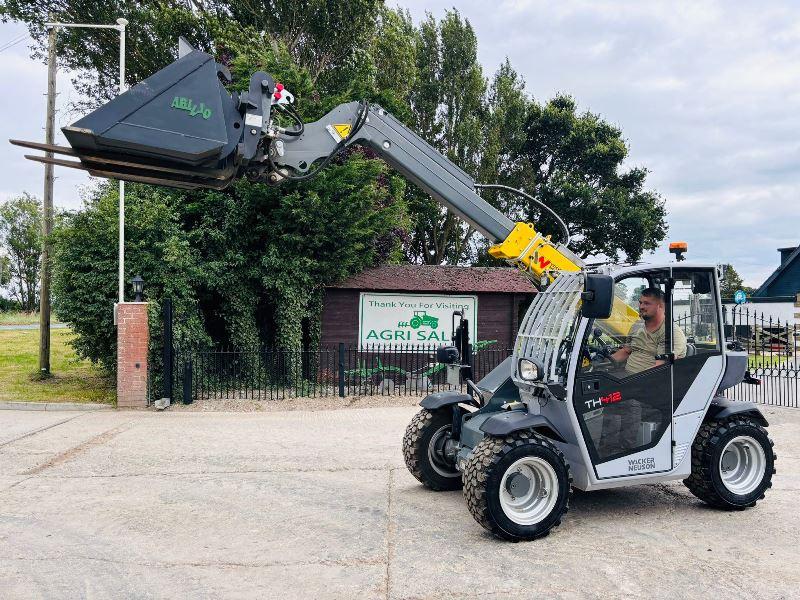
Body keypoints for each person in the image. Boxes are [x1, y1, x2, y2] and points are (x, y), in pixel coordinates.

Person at [597, 287, 686, 458]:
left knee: (628, 400)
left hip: (654, 385)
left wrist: (628, 385)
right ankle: (604, 449)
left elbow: (659, 369)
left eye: (647, 303)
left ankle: (625, 452)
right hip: (630, 378)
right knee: (600, 390)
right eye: (640, 302)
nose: (641, 306)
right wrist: (600, 365)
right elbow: (626, 351)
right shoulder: (639, 327)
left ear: (660, 306)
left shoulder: (671, 332)